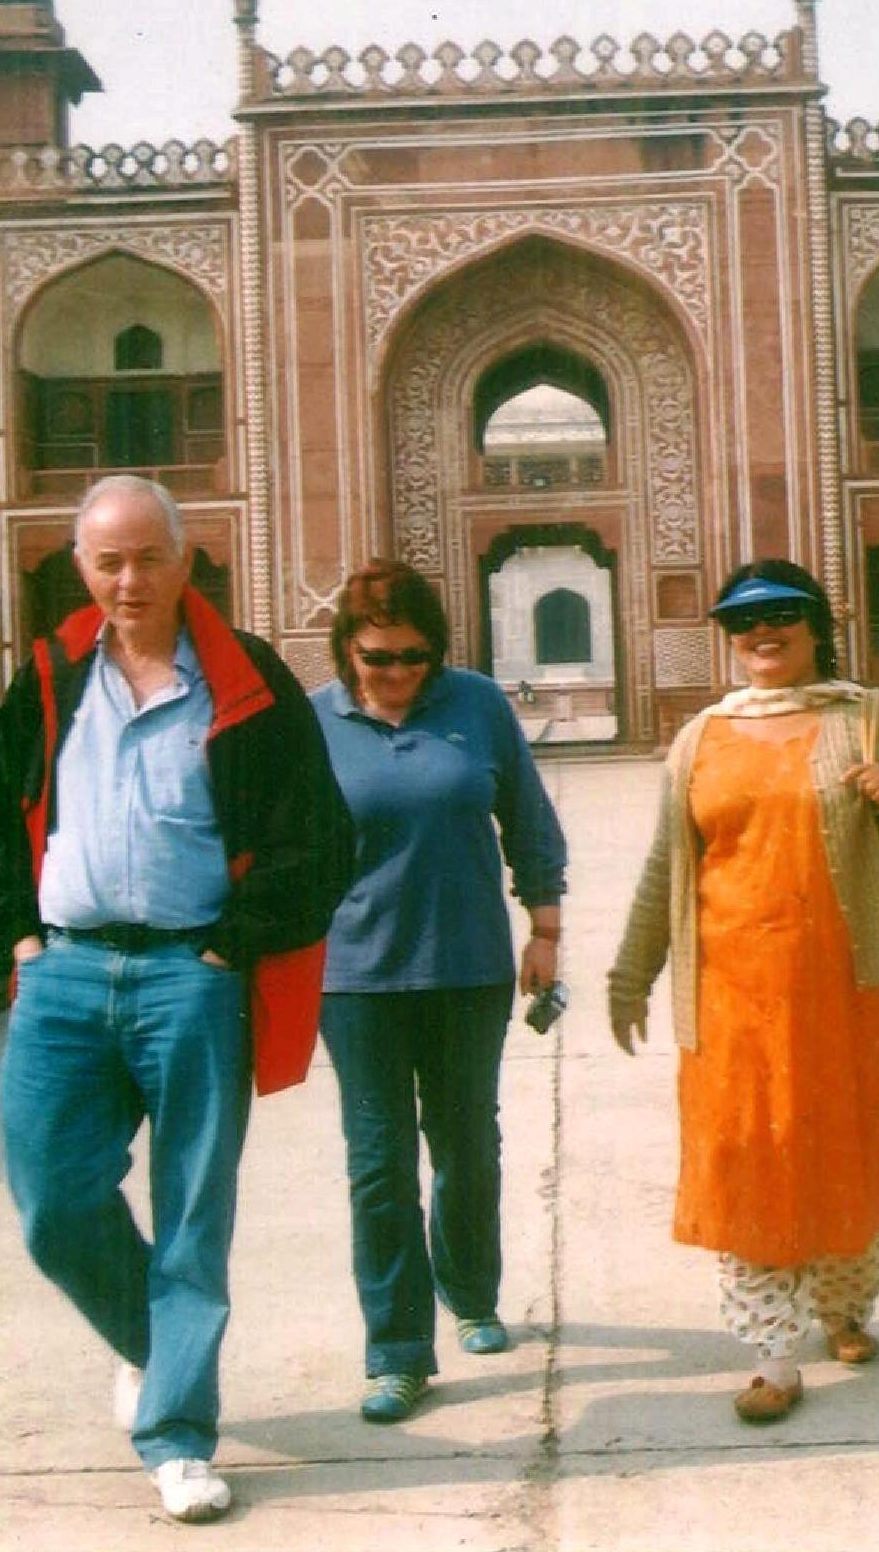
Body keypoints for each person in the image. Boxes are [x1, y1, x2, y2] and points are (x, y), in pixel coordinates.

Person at [0, 475, 354, 1525]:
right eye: (107, 562)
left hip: (191, 976)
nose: (128, 580)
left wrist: (232, 947)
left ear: (188, 562)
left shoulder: (245, 677)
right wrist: (22, 936)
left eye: (147, 558)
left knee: (191, 1215)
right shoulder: (51, 674)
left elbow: (319, 835)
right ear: (80, 569)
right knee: (52, 1201)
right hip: (67, 975)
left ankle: (178, 1434)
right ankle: (151, 1342)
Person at [607, 558, 879, 1425]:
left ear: (816, 624)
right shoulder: (700, 737)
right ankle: (772, 1356)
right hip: (733, 998)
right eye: (742, 622)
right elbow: (668, 865)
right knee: (751, 1161)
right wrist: (632, 975)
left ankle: (845, 1309)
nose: (760, 632)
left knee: (844, 1156)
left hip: (857, 987)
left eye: (781, 614)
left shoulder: (868, 718)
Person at [309, 558, 568, 1424]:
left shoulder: (476, 705)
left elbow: (528, 819)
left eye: (415, 657)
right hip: (356, 980)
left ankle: (471, 1294)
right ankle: (396, 1351)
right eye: (378, 657)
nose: (396, 674)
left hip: (466, 968)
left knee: (466, 1145)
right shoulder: (313, 724)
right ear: (347, 649)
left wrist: (546, 930)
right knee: (378, 1166)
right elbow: (277, 850)